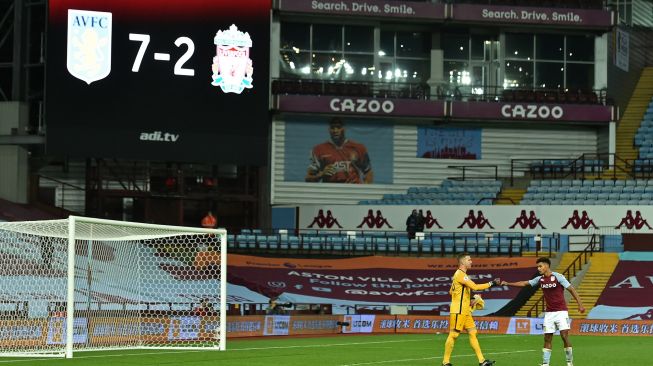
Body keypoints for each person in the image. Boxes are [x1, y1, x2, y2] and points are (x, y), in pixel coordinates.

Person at [501, 257, 585, 366]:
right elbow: (524, 283)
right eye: (538, 267)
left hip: (561, 312)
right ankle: (545, 364)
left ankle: (569, 362)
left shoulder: (558, 277)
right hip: (549, 313)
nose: (538, 268)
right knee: (547, 338)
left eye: (540, 266)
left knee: (564, 336)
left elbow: (572, 289)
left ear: (547, 266)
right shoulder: (539, 279)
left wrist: (580, 305)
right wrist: (507, 283)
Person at [442, 253, 499, 366]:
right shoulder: (460, 274)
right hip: (458, 309)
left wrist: (469, 299)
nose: (471, 261)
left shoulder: (460, 275)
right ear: (462, 262)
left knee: (473, 332)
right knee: (454, 335)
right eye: (469, 259)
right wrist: (492, 283)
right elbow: (475, 287)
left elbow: (451, 291)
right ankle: (445, 362)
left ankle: (481, 361)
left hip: (465, 309)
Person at [305, 117, 373, 184]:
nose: (335, 130)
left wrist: (365, 191)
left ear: (344, 128)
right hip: (331, 192)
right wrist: (321, 174)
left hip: (353, 191)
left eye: (338, 127)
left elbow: (368, 172)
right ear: (329, 129)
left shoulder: (359, 148)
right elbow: (308, 178)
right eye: (332, 128)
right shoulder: (318, 150)